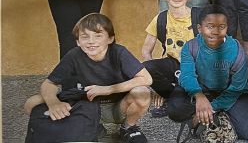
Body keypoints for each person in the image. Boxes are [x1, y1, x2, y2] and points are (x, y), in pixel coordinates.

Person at [24, 13, 152, 143]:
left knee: (142, 92)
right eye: (85, 37)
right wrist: (53, 103)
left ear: (110, 38)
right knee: (33, 102)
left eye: (98, 36)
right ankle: (92, 127)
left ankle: (128, 128)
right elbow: (49, 84)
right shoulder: (74, 55)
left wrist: (108, 89)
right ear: (78, 42)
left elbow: (146, 79)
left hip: (116, 107)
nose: (91, 41)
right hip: (84, 107)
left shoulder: (119, 53)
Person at [166, 4, 248, 141]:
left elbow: (236, 88)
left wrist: (211, 107)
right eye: (210, 26)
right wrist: (199, 96)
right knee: (174, 108)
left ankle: (209, 115)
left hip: (231, 92)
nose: (216, 32)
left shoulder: (236, 51)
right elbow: (187, 75)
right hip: (202, 89)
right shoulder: (191, 47)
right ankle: (209, 114)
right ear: (200, 28)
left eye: (221, 27)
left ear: (227, 28)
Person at [140, 0, 198, 118]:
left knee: (176, 112)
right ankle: (171, 96)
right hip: (172, 64)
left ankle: (190, 98)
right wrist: (156, 85)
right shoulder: (160, 18)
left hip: (195, 66)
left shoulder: (199, 17)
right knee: (146, 67)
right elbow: (146, 50)